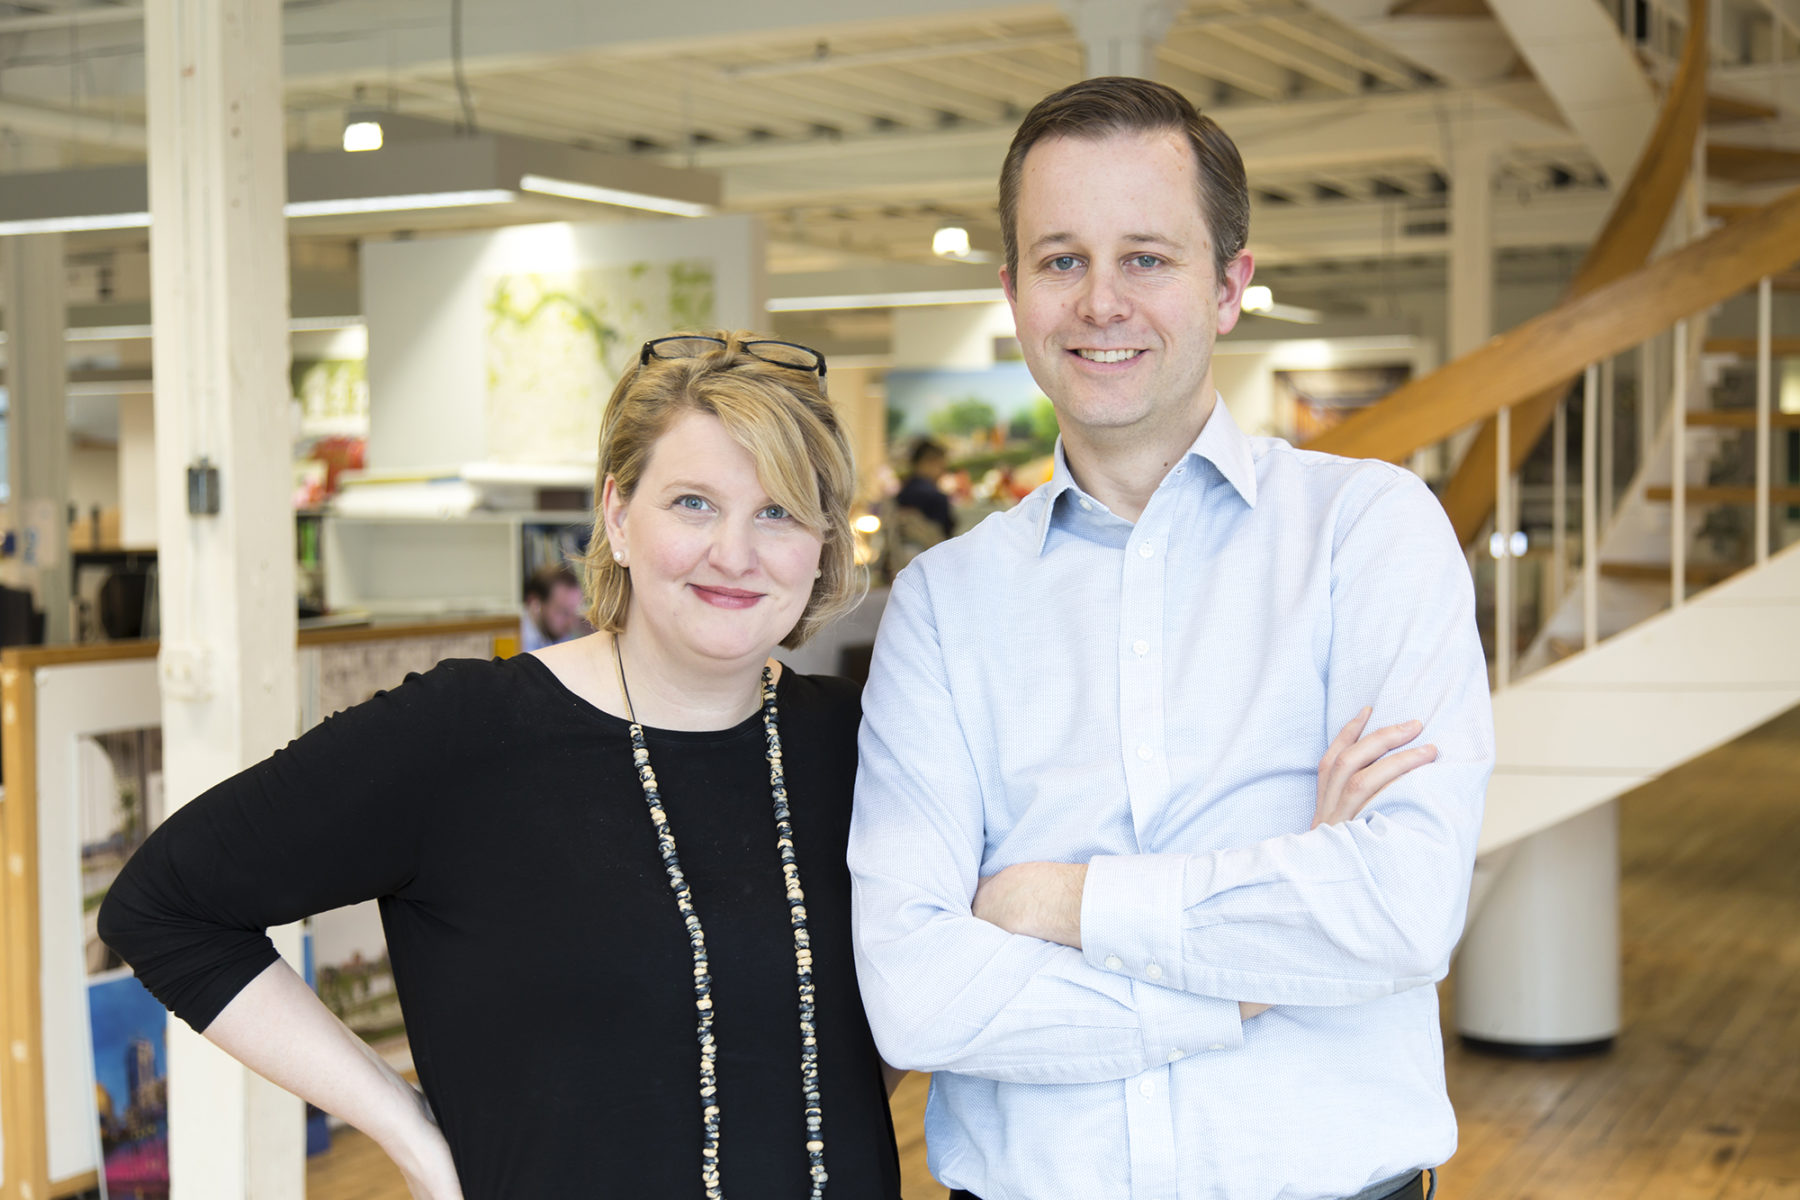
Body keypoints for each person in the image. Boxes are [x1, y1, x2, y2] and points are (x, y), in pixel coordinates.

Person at [848, 78, 1494, 1200]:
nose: (1101, 301)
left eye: (1147, 257)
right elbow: (916, 993)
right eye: (1061, 260)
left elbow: (1399, 909)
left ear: (1230, 286)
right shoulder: (943, 604)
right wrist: (1251, 969)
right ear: (1013, 293)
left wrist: (1056, 902)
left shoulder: (1368, 533)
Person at [99, 332, 905, 1199]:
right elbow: (164, 907)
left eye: (778, 511)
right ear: (618, 516)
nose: (737, 553)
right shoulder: (468, 735)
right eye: (694, 504)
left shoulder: (869, 747)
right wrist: (402, 1125)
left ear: (824, 542)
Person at [518, 561, 586, 651]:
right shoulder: (511, 637)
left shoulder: (561, 635)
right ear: (535, 604)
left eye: (574, 612)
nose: (571, 623)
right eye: (563, 612)